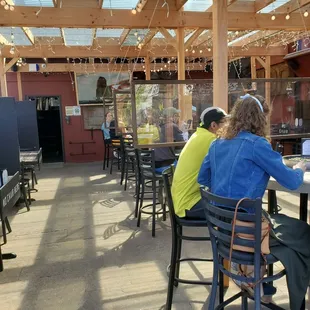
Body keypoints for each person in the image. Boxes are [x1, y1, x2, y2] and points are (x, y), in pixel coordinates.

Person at [198, 94, 310, 310]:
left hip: (223, 233)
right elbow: (291, 182)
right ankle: (261, 280)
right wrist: (299, 168)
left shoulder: (216, 144)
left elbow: (202, 179)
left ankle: (252, 279)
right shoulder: (257, 144)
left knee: (282, 224)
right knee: (303, 231)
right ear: (260, 118)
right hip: (248, 233)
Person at [171, 107, 228, 219]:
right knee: (232, 209)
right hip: (189, 203)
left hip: (183, 199)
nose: (228, 126)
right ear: (214, 125)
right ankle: (221, 236)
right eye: (224, 123)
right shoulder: (211, 139)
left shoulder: (198, 135)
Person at [154, 107, 184, 173]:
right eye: (176, 115)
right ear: (171, 116)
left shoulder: (159, 126)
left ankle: (163, 182)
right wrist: (182, 130)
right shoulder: (172, 126)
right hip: (166, 165)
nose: (178, 117)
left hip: (155, 163)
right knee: (186, 166)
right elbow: (182, 144)